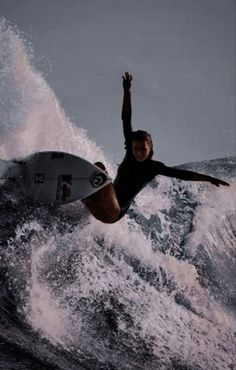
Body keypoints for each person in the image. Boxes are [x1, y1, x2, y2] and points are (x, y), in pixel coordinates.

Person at [82, 72, 229, 223]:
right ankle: (74, 195)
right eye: (135, 149)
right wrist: (127, 92)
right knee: (97, 167)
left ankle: (83, 195)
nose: (138, 153)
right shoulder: (130, 153)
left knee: (99, 173)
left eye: (142, 149)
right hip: (99, 206)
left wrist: (209, 179)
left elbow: (182, 174)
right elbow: (126, 119)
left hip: (113, 212)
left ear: (150, 147)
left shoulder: (154, 167)